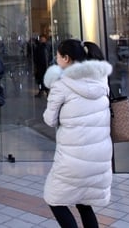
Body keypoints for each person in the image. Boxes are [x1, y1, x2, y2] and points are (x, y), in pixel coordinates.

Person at [41, 40, 112, 228]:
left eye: (57, 56)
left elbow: (49, 119)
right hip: (99, 157)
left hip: (73, 158)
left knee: (54, 199)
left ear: (66, 58)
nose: (56, 60)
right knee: (84, 204)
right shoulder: (101, 80)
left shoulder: (61, 85)